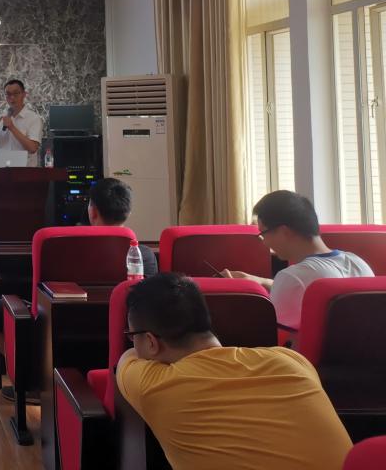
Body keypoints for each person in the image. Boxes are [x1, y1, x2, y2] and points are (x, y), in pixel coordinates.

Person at [117, 273, 352, 470]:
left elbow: (127, 358)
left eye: (132, 336)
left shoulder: (154, 385)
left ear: (151, 341)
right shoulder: (292, 361)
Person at [0, 177, 156, 400]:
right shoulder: (144, 256)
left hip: (59, 334)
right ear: (127, 213)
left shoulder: (58, 247)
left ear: (92, 211)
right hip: (122, 340)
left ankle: (32, 379)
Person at [220, 190, 372, 335]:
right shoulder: (358, 263)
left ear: (284, 231)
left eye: (263, 233)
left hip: (300, 355)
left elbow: (270, 337)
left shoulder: (292, 277)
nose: (264, 242)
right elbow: (312, 287)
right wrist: (260, 282)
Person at [0, 79, 43, 167]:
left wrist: (12, 128)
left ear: (24, 94)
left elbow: (32, 148)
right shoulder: (1, 117)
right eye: (8, 94)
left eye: (16, 93)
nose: (12, 97)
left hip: (24, 171)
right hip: (1, 169)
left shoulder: (34, 118)